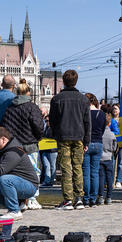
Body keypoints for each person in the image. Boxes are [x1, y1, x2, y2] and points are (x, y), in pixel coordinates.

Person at [0, 78, 44, 209]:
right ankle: (32, 198)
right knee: (34, 172)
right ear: (28, 93)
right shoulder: (32, 107)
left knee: (18, 173)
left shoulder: (9, 108)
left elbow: (5, 128)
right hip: (30, 145)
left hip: (15, 148)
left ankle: (21, 201)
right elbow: (39, 126)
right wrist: (38, 137)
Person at [50, 69, 90, 210]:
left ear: (64, 82)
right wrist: (87, 141)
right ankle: (79, 198)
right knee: (78, 167)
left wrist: (56, 135)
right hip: (79, 136)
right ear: (76, 81)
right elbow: (87, 122)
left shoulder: (57, 99)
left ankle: (68, 199)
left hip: (63, 137)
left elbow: (52, 121)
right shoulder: (84, 99)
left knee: (66, 168)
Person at [81, 93, 106, 207]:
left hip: (86, 143)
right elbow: (102, 129)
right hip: (98, 143)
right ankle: (93, 198)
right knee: (95, 173)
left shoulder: (84, 113)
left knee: (86, 173)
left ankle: (85, 199)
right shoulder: (102, 114)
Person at [97, 110, 117, 205]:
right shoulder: (112, 134)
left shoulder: (99, 134)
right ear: (109, 124)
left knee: (101, 178)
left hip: (100, 158)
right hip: (109, 158)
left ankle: (100, 196)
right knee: (109, 178)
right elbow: (114, 147)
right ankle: (109, 197)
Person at [39, 106, 57, 187]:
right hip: (45, 150)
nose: (47, 122)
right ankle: (47, 181)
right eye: (46, 121)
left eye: (48, 120)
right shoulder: (45, 128)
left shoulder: (54, 129)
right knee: (46, 166)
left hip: (52, 150)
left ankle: (51, 181)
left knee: (52, 166)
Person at [110, 103, 122, 187]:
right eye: (113, 109)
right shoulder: (110, 119)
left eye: (116, 108)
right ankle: (111, 179)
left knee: (121, 162)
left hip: (121, 142)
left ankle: (119, 180)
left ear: (119, 110)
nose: (114, 110)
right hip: (112, 142)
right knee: (112, 161)